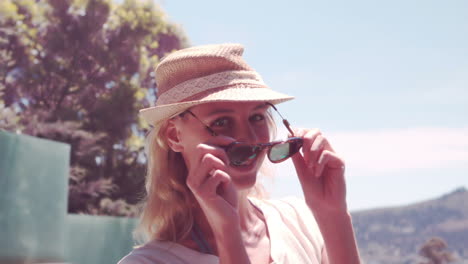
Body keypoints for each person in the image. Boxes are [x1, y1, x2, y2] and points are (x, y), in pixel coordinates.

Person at [118, 43, 361, 264]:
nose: (250, 138)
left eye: (257, 117)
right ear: (174, 136)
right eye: (222, 121)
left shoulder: (299, 221)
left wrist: (333, 214)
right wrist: (228, 231)